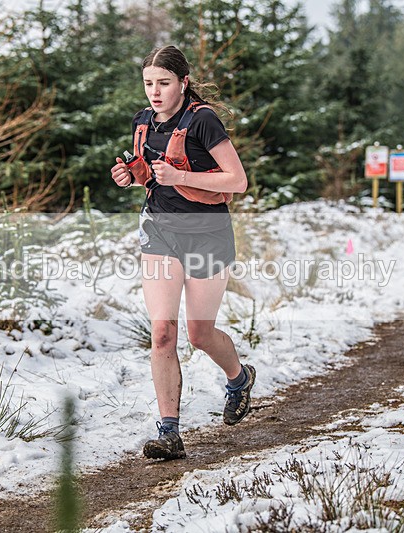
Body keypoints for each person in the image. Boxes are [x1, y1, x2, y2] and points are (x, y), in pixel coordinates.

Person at [109, 45, 254, 460]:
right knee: (162, 333)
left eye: (164, 83)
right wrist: (130, 175)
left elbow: (237, 181)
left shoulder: (204, 120)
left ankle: (239, 378)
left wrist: (178, 174)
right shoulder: (143, 122)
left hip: (208, 234)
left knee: (200, 334)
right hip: (160, 232)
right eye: (148, 84)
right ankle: (169, 433)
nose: (155, 92)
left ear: (183, 83)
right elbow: (150, 174)